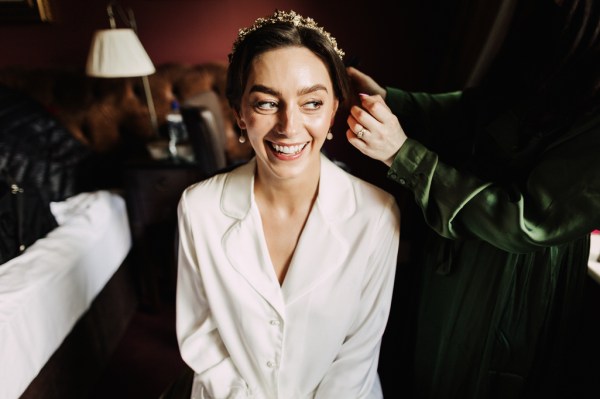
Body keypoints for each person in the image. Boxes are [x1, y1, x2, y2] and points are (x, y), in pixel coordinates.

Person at [345, 0, 600, 398]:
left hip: (513, 277)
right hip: (459, 255)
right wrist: (386, 99)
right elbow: (472, 111)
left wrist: (403, 155)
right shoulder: (548, 67)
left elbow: (524, 220)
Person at [174, 10, 400, 399]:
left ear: (333, 111)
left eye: (311, 103)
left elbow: (357, 357)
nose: (289, 126)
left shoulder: (376, 215)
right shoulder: (200, 208)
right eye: (266, 103)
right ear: (239, 114)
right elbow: (202, 341)